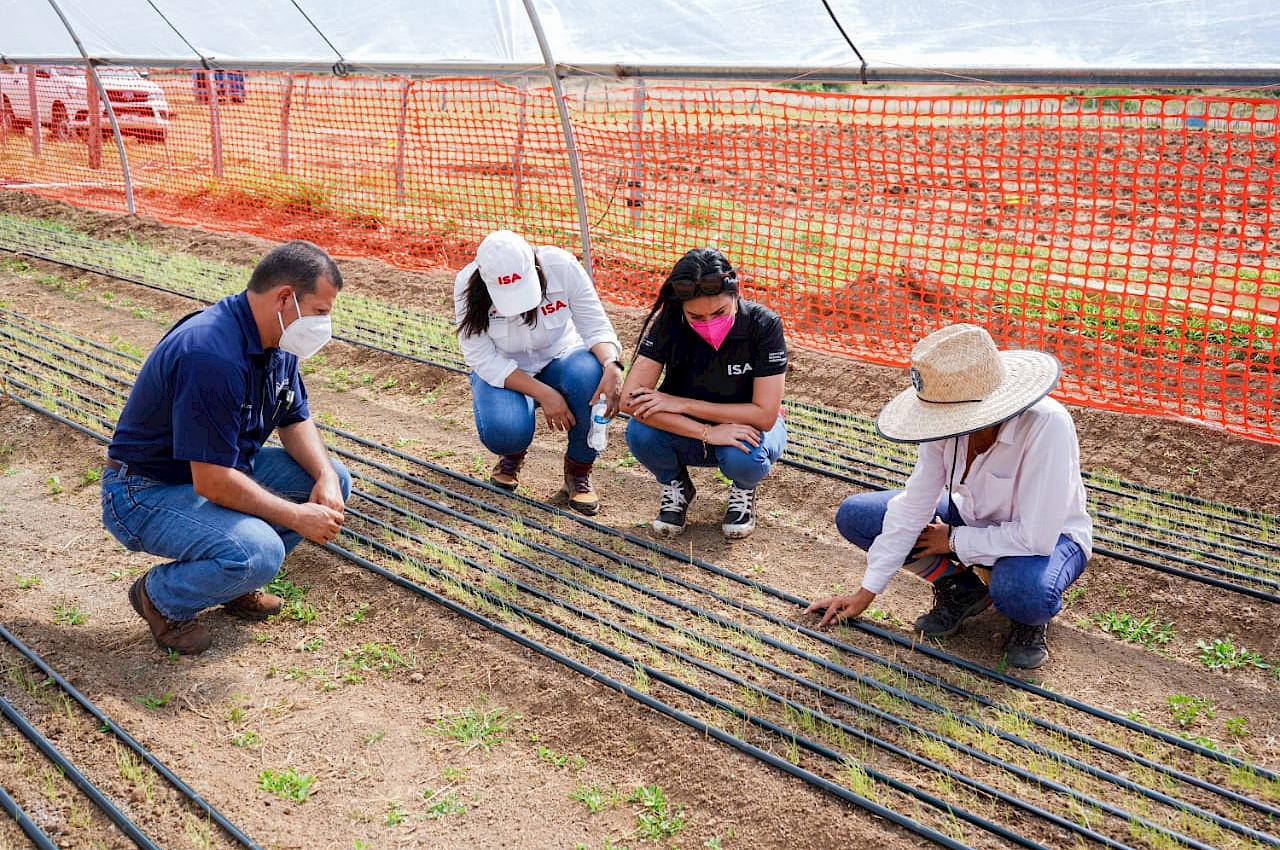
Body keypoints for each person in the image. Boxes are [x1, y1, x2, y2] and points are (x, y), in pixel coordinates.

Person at [101, 240, 352, 656]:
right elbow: (213, 482)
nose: (325, 324)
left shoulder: (277, 338)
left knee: (333, 478)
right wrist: (296, 517)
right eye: (321, 311)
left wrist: (325, 477)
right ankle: (161, 598)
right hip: (144, 491)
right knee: (261, 550)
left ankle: (234, 578)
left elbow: (295, 419)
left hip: (212, 473)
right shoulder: (211, 354)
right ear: (285, 298)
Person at [804, 323, 1092, 669]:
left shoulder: (1047, 425)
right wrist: (865, 593)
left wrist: (954, 541)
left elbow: (1037, 536)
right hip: (972, 518)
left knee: (1021, 592)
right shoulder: (943, 420)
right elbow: (915, 502)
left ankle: (1027, 621)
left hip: (1048, 539)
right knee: (859, 517)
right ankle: (963, 588)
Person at [621, 247, 788, 540]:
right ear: (681, 309)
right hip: (690, 430)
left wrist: (679, 403)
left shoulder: (764, 325)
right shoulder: (669, 324)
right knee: (639, 432)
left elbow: (764, 415)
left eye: (719, 312)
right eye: (696, 316)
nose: (709, 322)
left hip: (747, 430)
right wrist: (707, 432)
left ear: (737, 293)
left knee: (745, 458)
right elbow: (630, 400)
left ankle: (744, 489)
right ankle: (677, 486)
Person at [455, 230, 624, 515]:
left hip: (561, 358)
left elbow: (596, 326)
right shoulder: (467, 286)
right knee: (504, 431)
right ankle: (512, 453)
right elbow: (481, 357)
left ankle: (578, 471)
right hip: (507, 374)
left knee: (589, 374)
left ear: (534, 265)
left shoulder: (562, 267)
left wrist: (612, 364)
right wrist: (544, 393)